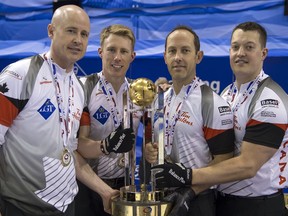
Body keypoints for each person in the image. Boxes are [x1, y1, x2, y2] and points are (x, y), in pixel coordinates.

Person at [152, 22, 288, 216]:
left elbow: (248, 165)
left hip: (258, 206)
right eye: (235, 47)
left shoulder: (270, 101)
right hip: (223, 202)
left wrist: (188, 177)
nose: (240, 53)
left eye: (249, 47)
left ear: (263, 53)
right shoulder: (228, 94)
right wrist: (192, 190)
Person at [0, 5, 120, 216]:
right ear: (51, 31)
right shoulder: (21, 75)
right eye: (71, 30)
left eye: (84, 34)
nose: (78, 40)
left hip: (66, 208)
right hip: (20, 208)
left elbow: (69, 153)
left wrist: (105, 192)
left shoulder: (77, 88)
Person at [145, 25, 235, 216]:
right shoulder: (159, 99)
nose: (178, 57)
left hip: (197, 199)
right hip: (161, 195)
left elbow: (224, 161)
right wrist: (151, 153)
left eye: (185, 51)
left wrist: (191, 189)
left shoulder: (211, 102)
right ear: (165, 57)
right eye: (172, 51)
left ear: (198, 56)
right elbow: (159, 146)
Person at [75, 24, 141, 216]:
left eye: (123, 51)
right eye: (111, 50)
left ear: (132, 56)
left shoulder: (139, 93)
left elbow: (152, 137)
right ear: (100, 52)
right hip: (88, 183)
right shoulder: (83, 88)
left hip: (125, 184)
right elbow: (75, 144)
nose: (117, 57)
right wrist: (106, 144)